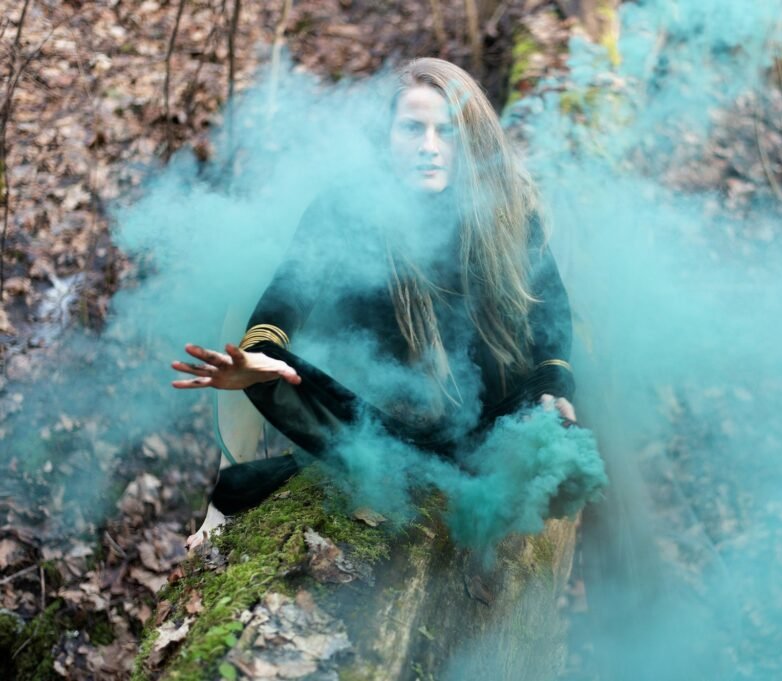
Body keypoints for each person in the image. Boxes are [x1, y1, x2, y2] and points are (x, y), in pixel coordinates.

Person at [172, 58, 577, 551]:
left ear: (470, 138)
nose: (429, 146)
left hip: (483, 416)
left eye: (447, 131)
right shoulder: (346, 206)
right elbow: (288, 291)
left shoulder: (506, 209)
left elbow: (549, 310)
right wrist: (260, 357)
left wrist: (551, 386)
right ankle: (226, 493)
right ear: (387, 135)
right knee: (249, 331)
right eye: (412, 128)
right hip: (378, 416)